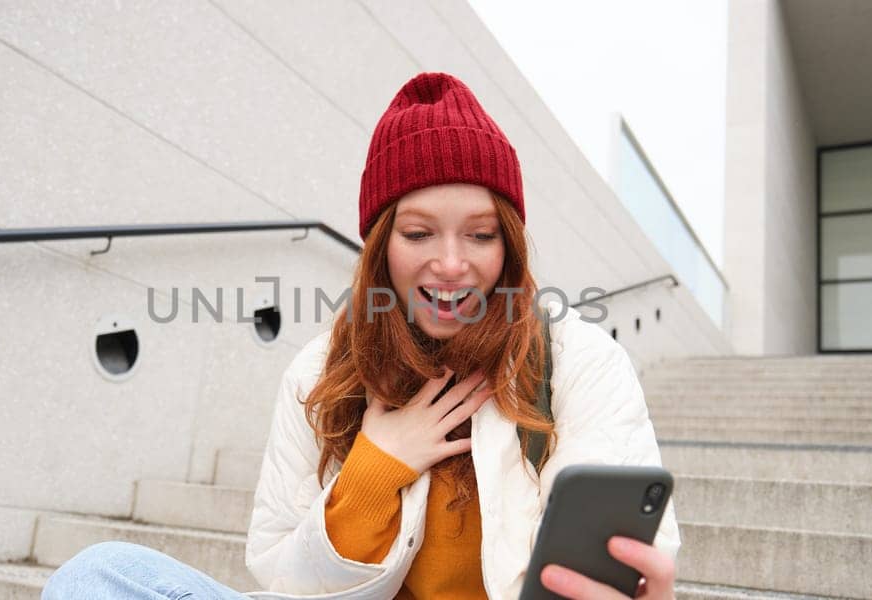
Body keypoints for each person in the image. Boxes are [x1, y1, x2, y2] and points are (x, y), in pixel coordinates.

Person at [44, 72, 679, 600]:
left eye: (481, 235)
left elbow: (623, 558)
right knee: (95, 578)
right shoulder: (320, 372)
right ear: (379, 246)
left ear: (509, 247)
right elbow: (282, 581)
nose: (452, 264)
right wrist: (374, 472)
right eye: (419, 233)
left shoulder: (577, 360)